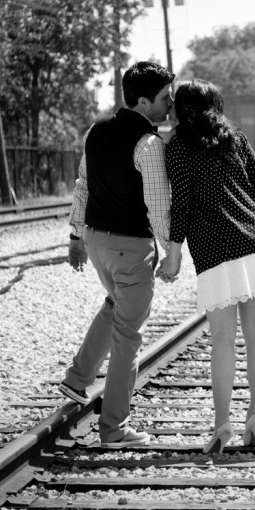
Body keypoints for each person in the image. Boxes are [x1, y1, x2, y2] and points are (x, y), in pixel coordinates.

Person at [160, 80, 255, 455]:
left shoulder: (178, 147)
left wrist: (173, 255)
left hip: (216, 249)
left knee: (222, 341)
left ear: (182, 110)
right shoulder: (236, 138)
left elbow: (181, 205)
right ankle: (254, 417)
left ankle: (222, 426)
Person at [60, 61, 177, 447]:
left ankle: (77, 380)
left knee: (115, 305)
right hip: (130, 247)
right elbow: (158, 207)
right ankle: (114, 428)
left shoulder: (96, 130)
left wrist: (76, 236)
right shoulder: (149, 144)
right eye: (164, 97)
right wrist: (171, 253)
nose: (171, 103)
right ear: (143, 101)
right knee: (129, 335)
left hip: (97, 242)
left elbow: (83, 185)